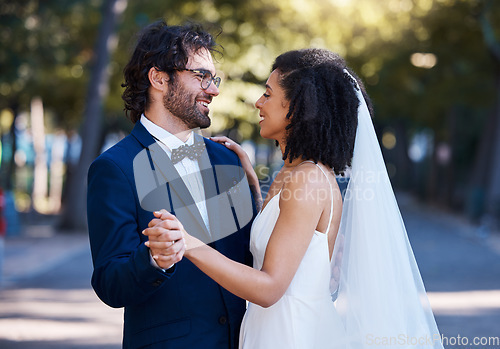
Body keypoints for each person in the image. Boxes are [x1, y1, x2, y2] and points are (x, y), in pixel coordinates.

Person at [145, 48, 444, 349]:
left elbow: (271, 287)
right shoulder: (294, 173)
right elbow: (279, 236)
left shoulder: (308, 179)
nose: (258, 102)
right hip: (274, 329)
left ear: (297, 108)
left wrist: (188, 242)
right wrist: (251, 178)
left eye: (268, 94)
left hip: (293, 335)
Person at [87, 20, 257, 349]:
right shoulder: (114, 168)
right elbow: (110, 283)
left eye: (214, 78)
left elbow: (251, 260)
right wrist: (153, 259)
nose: (214, 90)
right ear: (159, 78)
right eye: (201, 76)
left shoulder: (229, 161)